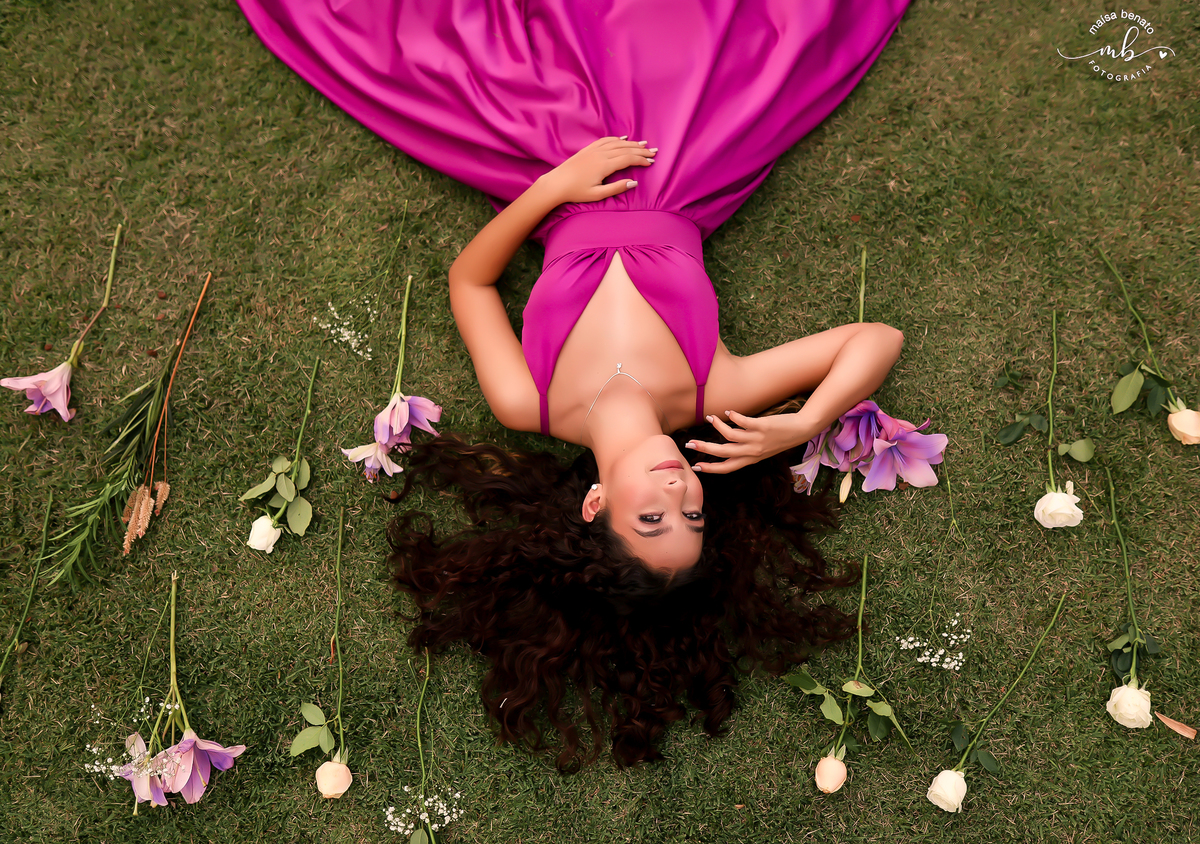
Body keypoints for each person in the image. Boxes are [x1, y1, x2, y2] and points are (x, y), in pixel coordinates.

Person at [239, 0, 912, 767]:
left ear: (596, 506)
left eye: (652, 519)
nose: (679, 493)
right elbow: (877, 339)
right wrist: (804, 422)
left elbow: (469, 283)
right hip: (682, 160)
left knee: (418, 40)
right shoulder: (711, 391)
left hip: (558, 164)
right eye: (693, 515)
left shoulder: (527, 402)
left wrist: (553, 188)